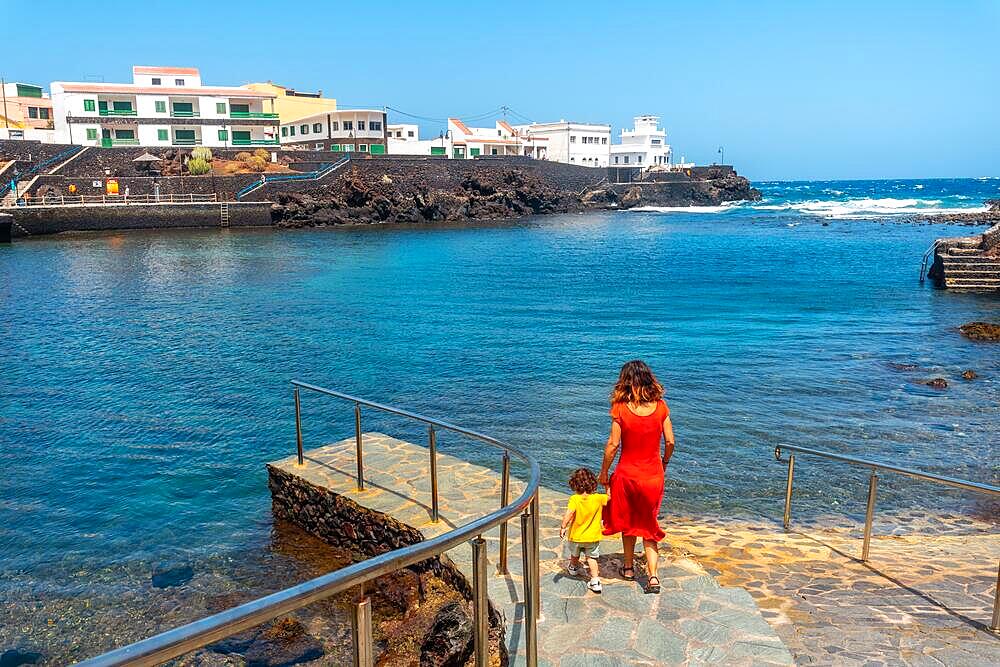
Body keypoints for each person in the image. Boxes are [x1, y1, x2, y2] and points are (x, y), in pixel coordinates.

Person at [599, 360, 675, 594]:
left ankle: (629, 568)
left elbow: (613, 445)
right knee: (649, 523)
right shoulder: (661, 407)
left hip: (626, 475)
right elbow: (670, 441)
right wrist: (663, 463)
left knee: (629, 522)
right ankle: (653, 577)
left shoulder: (620, 408)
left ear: (625, 381)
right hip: (653, 476)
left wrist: (603, 473)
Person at [560, 467, 608, 594]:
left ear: (574, 484)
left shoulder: (575, 499)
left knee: (575, 554)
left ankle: (574, 568)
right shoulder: (598, 498)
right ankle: (595, 581)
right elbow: (610, 497)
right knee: (592, 558)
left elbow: (569, 514)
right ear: (593, 483)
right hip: (592, 537)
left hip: (576, 536)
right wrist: (607, 484)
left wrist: (563, 527)